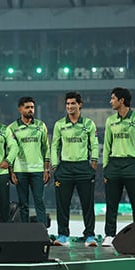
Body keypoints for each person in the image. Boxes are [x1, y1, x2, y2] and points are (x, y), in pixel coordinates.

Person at [101, 88, 135, 247]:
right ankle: (109, 235)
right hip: (114, 165)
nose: (111, 101)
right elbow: (107, 145)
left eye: (113, 98)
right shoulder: (110, 121)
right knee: (111, 203)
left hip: (131, 165)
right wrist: (106, 166)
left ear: (122, 100)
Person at [51, 91, 99, 247]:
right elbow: (55, 146)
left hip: (83, 167)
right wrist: (55, 165)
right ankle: (63, 235)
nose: (70, 106)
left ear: (80, 105)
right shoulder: (59, 124)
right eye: (68, 104)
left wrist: (94, 161)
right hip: (64, 168)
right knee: (62, 204)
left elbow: (94, 144)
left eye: (73, 103)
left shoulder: (88, 124)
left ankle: (90, 235)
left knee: (87, 203)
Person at [8, 96, 50, 226]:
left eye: (32, 107)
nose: (31, 110)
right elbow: (9, 151)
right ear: (20, 109)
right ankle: (25, 231)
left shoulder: (40, 126)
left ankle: (43, 230)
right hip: (20, 170)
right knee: (23, 203)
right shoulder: (12, 128)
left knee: (39, 202)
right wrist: (12, 172)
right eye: (27, 107)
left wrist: (46, 169)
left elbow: (45, 148)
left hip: (37, 170)